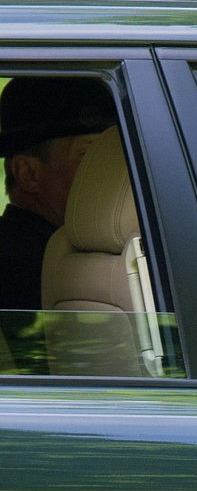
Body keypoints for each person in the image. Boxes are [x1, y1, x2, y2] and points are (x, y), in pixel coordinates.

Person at [0, 76, 116, 367]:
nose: (107, 171)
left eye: (113, 156)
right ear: (29, 174)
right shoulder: (33, 267)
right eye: (88, 155)